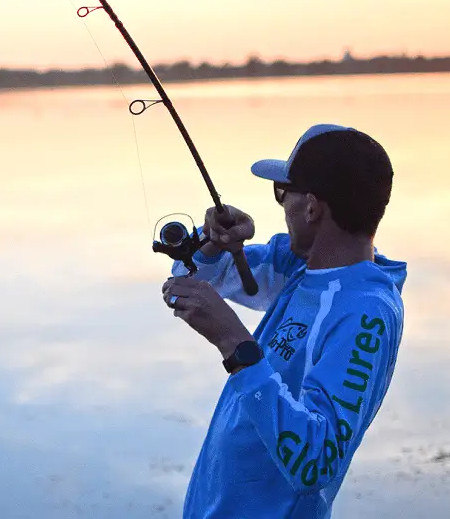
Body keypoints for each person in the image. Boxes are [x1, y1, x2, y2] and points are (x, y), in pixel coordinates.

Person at [162, 123, 407, 519]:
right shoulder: (299, 265)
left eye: (282, 193)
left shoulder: (365, 312)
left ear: (312, 207)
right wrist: (213, 242)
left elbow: (317, 462)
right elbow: (188, 283)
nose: (282, 206)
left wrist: (234, 344)